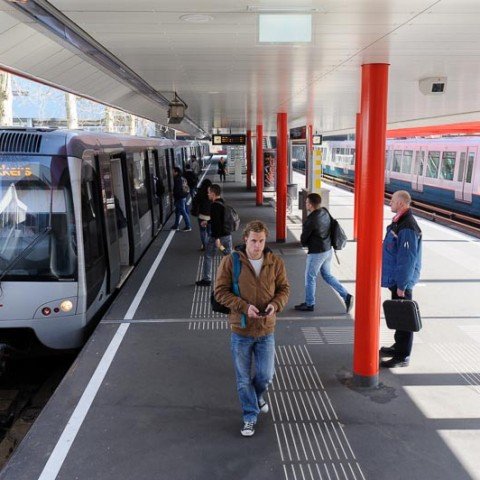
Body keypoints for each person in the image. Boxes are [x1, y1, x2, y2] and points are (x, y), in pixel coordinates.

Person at [215, 220, 290, 437]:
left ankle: (256, 397)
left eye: (261, 241)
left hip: (266, 329)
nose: (257, 245)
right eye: (254, 241)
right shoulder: (231, 262)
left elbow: (284, 289)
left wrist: (275, 305)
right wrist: (243, 307)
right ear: (245, 239)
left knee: (266, 375)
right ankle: (249, 415)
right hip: (241, 329)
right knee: (242, 378)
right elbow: (220, 291)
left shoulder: (275, 262)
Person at [380, 190, 422, 368]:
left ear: (402, 203)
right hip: (396, 279)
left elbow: (407, 258)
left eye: (393, 200)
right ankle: (398, 346)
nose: (390, 202)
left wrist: (402, 285)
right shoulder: (400, 222)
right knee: (398, 314)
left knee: (404, 318)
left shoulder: (407, 226)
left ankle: (403, 356)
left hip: (401, 281)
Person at [294, 193, 353, 313]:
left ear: (310, 205)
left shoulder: (311, 220)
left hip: (316, 252)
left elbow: (303, 240)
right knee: (327, 275)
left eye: (306, 202)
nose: (305, 204)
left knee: (310, 277)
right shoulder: (325, 212)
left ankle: (310, 303)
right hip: (327, 250)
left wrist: (306, 240)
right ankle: (346, 295)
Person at [195, 184, 231, 286]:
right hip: (227, 235)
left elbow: (217, 224)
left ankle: (206, 279)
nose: (208, 194)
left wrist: (217, 239)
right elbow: (218, 219)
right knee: (229, 256)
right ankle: (235, 277)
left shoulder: (214, 205)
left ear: (213, 194)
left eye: (209, 192)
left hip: (218, 237)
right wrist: (208, 222)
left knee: (208, 256)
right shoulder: (222, 202)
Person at [191, 178, 212, 251]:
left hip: (202, 216)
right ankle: (210, 245)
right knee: (210, 232)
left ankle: (205, 246)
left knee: (203, 231)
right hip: (211, 216)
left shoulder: (200, 193)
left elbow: (195, 203)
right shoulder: (212, 192)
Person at [170, 166, 192, 232]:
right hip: (183, 196)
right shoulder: (182, 178)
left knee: (183, 211)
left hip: (180, 198)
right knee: (177, 212)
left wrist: (173, 194)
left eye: (173, 171)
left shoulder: (177, 179)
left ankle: (188, 226)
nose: (172, 172)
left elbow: (177, 190)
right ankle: (176, 225)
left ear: (176, 172)